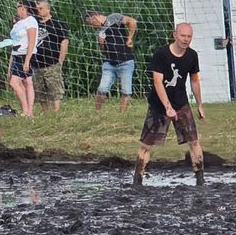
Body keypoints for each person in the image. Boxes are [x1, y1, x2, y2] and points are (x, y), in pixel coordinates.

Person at [133, 23, 206, 187]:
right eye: (183, 36)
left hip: (181, 103)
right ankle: (137, 180)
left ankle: (200, 180)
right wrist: (167, 106)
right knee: (146, 144)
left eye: (189, 37)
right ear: (175, 35)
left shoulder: (192, 56)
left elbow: (194, 80)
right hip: (159, 105)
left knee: (194, 141)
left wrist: (200, 104)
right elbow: (157, 82)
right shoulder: (161, 54)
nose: (186, 40)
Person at [85, 10, 137, 114]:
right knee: (102, 89)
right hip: (109, 63)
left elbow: (132, 21)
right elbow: (103, 51)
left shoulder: (114, 17)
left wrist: (129, 38)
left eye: (91, 23)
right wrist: (101, 43)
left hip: (126, 61)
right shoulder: (99, 31)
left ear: (95, 17)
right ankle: (97, 113)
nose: (92, 26)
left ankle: (121, 115)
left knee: (126, 91)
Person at [32, 0, 69, 113]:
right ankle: (46, 112)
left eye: (41, 8)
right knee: (40, 90)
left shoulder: (57, 23)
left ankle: (56, 112)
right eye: (37, 8)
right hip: (36, 63)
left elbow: (64, 41)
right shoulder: (34, 23)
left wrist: (60, 60)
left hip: (52, 62)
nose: (39, 10)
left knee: (55, 88)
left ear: (48, 9)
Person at [7, 0, 39, 117]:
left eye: (18, 7)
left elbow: (31, 42)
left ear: (24, 8)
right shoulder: (19, 23)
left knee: (14, 82)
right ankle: (28, 111)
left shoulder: (31, 22)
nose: (17, 9)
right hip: (16, 54)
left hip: (26, 55)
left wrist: (27, 61)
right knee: (27, 82)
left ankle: (26, 110)